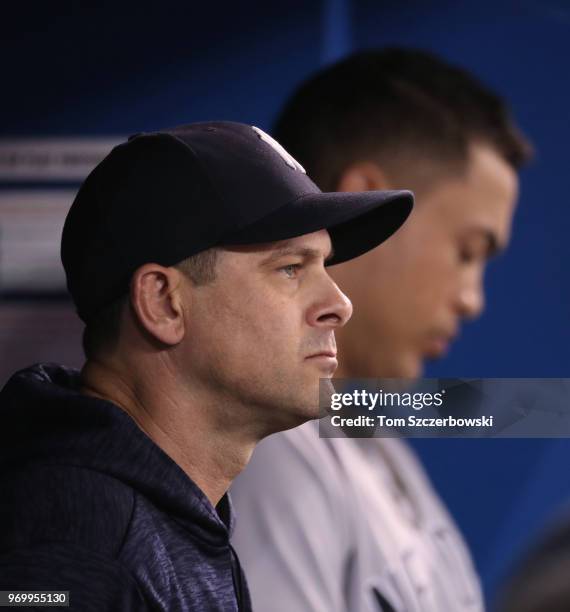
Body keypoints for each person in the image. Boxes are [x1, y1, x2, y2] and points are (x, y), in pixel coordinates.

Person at [0, 122, 413, 611]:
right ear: (163, 304)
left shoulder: (165, 516)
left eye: (325, 266)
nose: (339, 304)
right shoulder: (78, 542)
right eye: (290, 268)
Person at [231, 49, 532, 611]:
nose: (473, 300)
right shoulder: (268, 450)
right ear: (367, 206)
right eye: (467, 252)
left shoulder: (365, 426)